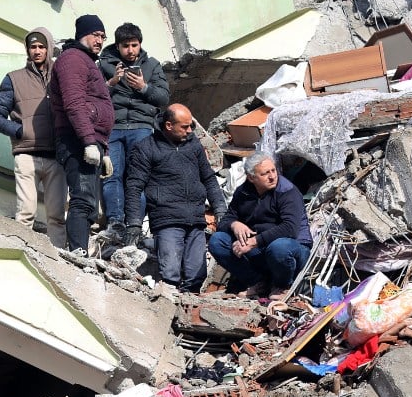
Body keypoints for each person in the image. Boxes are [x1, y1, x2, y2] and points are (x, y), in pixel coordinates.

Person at [123, 104, 226, 293]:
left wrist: (220, 208)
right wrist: (134, 223)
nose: (190, 131)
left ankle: (185, 310)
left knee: (196, 274)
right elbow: (134, 187)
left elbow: (209, 178)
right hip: (167, 219)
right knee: (170, 273)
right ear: (169, 125)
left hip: (195, 219)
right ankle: (165, 308)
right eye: (185, 127)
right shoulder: (146, 148)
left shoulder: (193, 145)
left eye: (191, 126)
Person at [0, 27, 67, 248]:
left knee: (57, 217)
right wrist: (20, 131)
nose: (37, 51)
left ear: (49, 48)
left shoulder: (62, 77)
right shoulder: (13, 79)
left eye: (42, 46)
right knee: (25, 214)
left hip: (56, 157)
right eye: (33, 47)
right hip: (26, 155)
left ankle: (60, 261)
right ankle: (20, 254)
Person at [98, 22, 170, 241]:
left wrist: (143, 87)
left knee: (136, 178)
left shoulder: (152, 65)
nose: (130, 50)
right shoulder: (103, 64)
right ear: (117, 46)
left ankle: (134, 225)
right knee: (112, 175)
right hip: (113, 127)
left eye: (134, 45)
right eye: (125, 46)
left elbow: (164, 99)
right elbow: (92, 97)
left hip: (141, 127)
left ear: (140, 44)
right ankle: (115, 222)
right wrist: (111, 83)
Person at [50, 14, 115, 254]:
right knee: (83, 199)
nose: (100, 40)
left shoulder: (86, 60)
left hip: (88, 139)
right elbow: (74, 103)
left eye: (102, 36)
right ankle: (78, 251)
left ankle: (81, 250)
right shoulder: (73, 59)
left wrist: (104, 149)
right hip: (77, 140)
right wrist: (89, 141)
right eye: (95, 35)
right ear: (82, 35)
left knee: (88, 202)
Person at [208, 152, 312, 299]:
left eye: (273, 170)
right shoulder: (243, 192)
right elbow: (225, 220)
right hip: (261, 250)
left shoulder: (287, 191)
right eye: (265, 173)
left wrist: (254, 241)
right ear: (251, 178)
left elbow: (290, 229)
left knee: (279, 247)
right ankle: (257, 282)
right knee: (218, 240)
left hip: (293, 248)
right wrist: (234, 224)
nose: (272, 176)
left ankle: (283, 286)